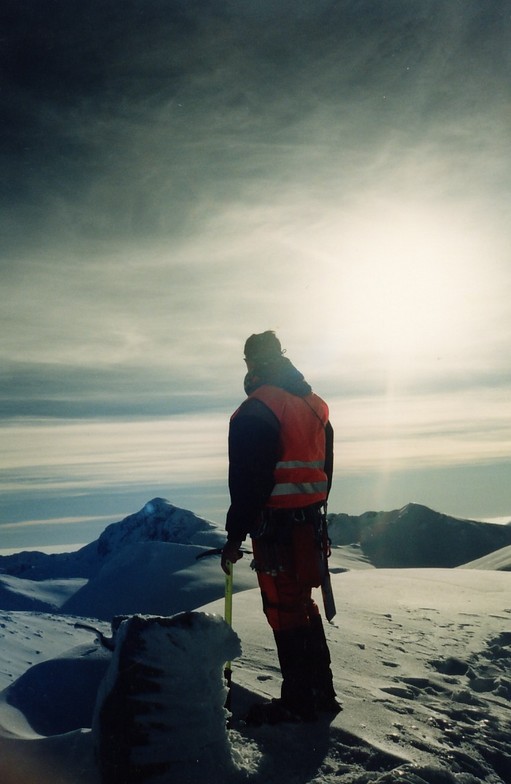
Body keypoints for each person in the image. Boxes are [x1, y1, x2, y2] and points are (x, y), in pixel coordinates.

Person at [221, 331, 340, 724]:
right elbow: (326, 467)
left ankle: (300, 702)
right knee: (303, 606)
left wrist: (235, 535)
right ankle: (320, 692)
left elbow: (248, 480)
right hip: (309, 526)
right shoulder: (313, 404)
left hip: (277, 530)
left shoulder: (256, 409)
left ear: (252, 363)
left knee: (283, 610)